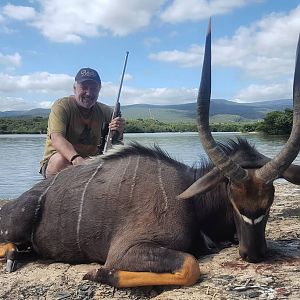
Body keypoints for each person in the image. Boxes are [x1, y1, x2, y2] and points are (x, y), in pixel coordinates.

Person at [40, 67, 125, 178]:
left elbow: (117, 143)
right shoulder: (62, 106)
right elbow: (57, 138)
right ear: (74, 88)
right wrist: (77, 160)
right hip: (63, 161)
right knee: (60, 161)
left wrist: (119, 131)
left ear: (99, 90)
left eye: (93, 88)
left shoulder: (107, 112)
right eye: (84, 87)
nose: (89, 93)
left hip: (92, 162)